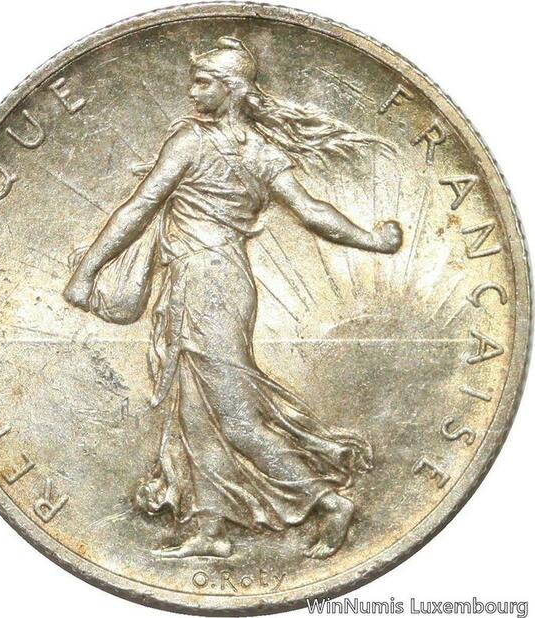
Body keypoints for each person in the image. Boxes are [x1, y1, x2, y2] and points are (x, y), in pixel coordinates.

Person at [64, 37, 402, 559]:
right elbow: (312, 211)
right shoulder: (262, 153)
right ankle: (211, 529)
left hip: (205, 283)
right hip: (215, 280)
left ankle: (329, 503)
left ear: (233, 89)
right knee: (195, 412)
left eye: (204, 82)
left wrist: (87, 272)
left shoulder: (192, 142)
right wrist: (371, 239)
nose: (192, 91)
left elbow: (139, 208)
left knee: (236, 417)